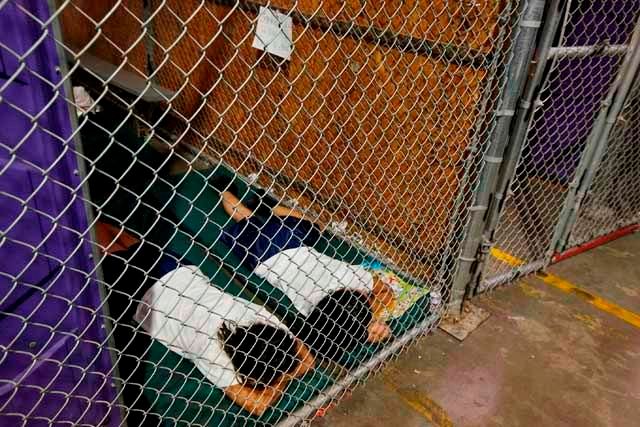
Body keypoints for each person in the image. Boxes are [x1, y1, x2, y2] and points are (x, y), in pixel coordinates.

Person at [100, 232, 315, 416]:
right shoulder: (215, 353)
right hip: (143, 293)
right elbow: (257, 405)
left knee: (126, 243)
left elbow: (307, 360)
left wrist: (281, 374)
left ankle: (93, 218)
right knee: (101, 251)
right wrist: (281, 380)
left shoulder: (262, 319)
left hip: (178, 270)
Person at [216, 184, 396, 361]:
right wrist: (363, 326)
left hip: (290, 242)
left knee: (315, 225)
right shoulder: (311, 310)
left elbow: (385, 292)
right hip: (264, 260)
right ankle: (224, 190)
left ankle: (266, 205)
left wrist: (367, 318)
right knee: (243, 216)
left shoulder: (350, 277)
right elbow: (383, 294)